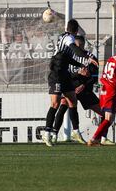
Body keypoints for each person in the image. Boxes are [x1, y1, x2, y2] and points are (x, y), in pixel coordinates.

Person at [42, 19, 99, 147]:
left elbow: (67, 58)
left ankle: (75, 131)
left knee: (72, 100)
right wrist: (87, 57)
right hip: (56, 74)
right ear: (76, 30)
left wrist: (79, 64)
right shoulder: (68, 38)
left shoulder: (66, 38)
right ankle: (47, 133)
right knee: (55, 103)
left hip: (64, 74)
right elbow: (76, 50)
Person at [51, 36, 114, 145]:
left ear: (83, 46)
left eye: (79, 46)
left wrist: (84, 85)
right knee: (62, 107)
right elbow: (64, 74)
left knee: (104, 113)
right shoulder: (67, 57)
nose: (76, 48)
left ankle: (102, 138)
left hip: (84, 90)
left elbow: (94, 77)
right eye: (75, 46)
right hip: (70, 88)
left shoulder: (90, 57)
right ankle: (54, 135)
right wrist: (77, 73)